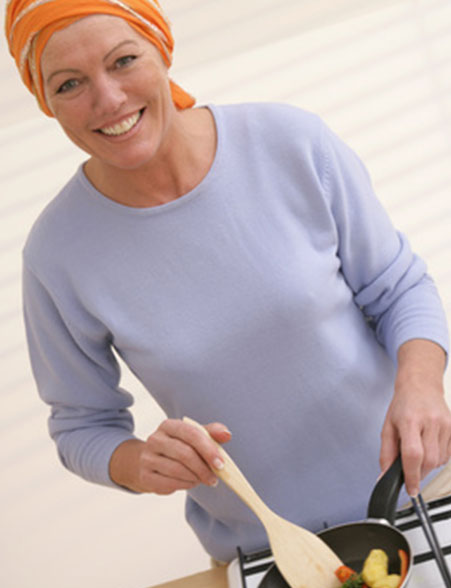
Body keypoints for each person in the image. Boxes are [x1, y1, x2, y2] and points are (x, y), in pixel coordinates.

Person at [6, 0, 451, 565]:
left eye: (123, 61)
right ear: (46, 101)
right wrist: (139, 463)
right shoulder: (57, 253)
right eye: (69, 84)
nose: (109, 99)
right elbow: (80, 425)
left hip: (423, 488)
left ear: (161, 48)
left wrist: (421, 385)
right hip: (269, 547)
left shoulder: (291, 143)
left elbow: (399, 289)